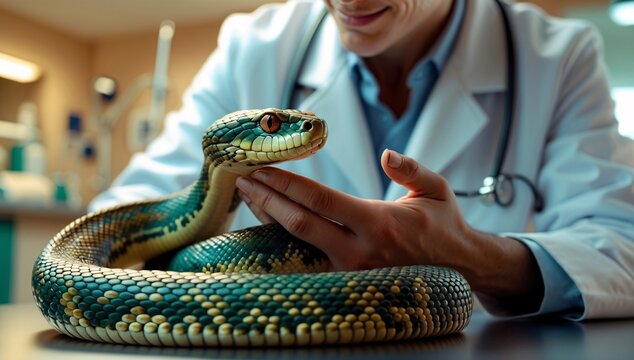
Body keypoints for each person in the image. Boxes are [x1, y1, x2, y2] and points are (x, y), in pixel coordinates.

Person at [89, 0, 634, 320]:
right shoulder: (253, 45)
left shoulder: (557, 56)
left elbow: (622, 247)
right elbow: (117, 222)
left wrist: (470, 254)